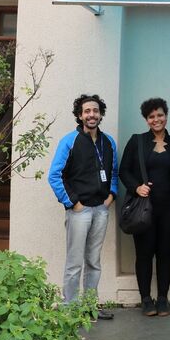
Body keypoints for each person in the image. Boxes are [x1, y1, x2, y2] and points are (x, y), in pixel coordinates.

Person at [48, 94, 118, 320]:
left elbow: (114, 172)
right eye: (87, 111)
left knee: (94, 262)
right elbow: (54, 176)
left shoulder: (108, 143)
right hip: (80, 210)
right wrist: (72, 203)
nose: (92, 115)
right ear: (80, 115)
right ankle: (70, 309)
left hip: (101, 209)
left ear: (100, 114)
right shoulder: (69, 141)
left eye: (95, 110)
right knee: (74, 262)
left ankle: (89, 306)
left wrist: (111, 196)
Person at [119, 97, 170, 317]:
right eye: (152, 116)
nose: (157, 119)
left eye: (160, 115)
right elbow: (124, 171)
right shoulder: (136, 141)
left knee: (165, 253)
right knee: (144, 254)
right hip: (144, 209)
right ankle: (145, 299)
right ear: (146, 120)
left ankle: (162, 298)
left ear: (166, 116)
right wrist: (136, 188)